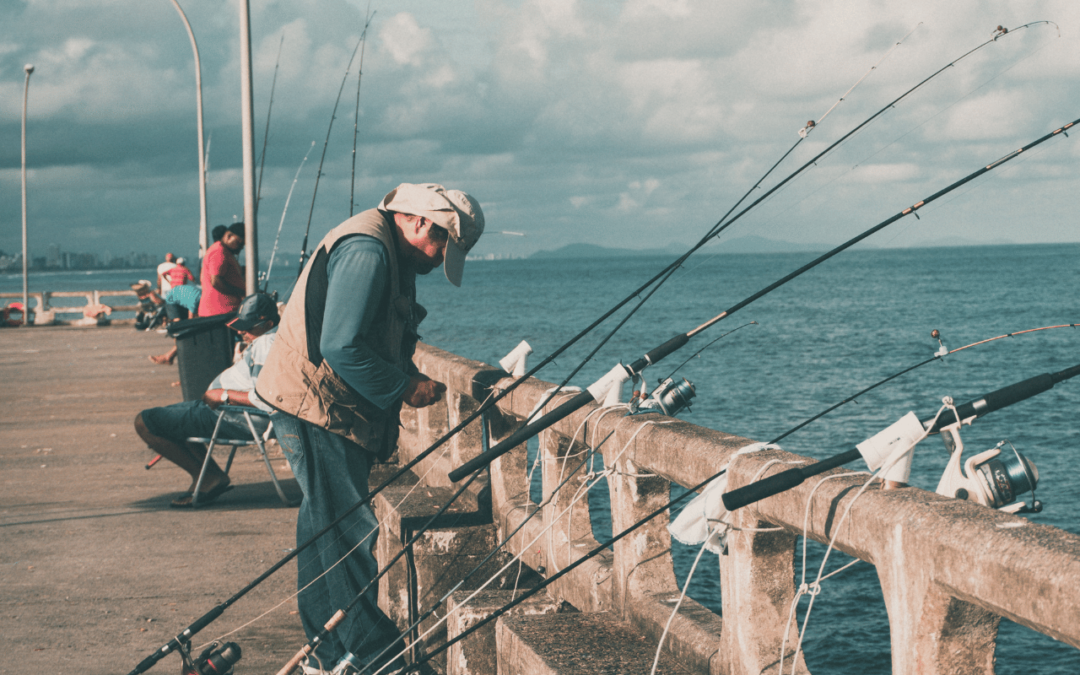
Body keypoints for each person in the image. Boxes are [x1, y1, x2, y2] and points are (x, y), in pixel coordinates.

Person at [256, 183, 484, 673]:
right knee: (348, 532)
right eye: (442, 244)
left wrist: (402, 369)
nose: (439, 258)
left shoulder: (394, 251)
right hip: (316, 409)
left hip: (322, 409)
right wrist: (403, 387)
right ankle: (378, 657)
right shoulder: (368, 251)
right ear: (420, 220)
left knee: (324, 533)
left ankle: (329, 654)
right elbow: (342, 347)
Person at [135, 293, 280, 507]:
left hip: (232, 417)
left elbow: (269, 398)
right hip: (225, 412)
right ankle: (210, 477)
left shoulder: (267, 343)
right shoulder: (273, 337)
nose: (241, 331)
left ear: (268, 323)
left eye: (248, 327)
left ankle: (208, 477)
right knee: (171, 419)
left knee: (145, 421)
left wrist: (223, 395)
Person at [198, 222, 246, 317]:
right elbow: (216, 281)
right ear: (229, 236)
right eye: (239, 242)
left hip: (223, 311)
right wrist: (242, 292)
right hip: (220, 313)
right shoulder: (219, 251)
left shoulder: (225, 252)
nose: (241, 247)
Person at [149, 284, 202, 365]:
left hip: (181, 294)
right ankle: (173, 353)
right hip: (172, 301)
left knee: (188, 328)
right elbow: (190, 322)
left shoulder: (201, 297)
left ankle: (172, 354)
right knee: (180, 328)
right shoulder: (194, 302)